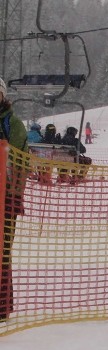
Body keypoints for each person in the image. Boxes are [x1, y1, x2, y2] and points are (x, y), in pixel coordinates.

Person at [0, 77, 29, 323]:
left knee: (2, 252)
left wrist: (15, 196)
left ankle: (2, 305)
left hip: (5, 197)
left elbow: (21, 164)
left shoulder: (13, 124)